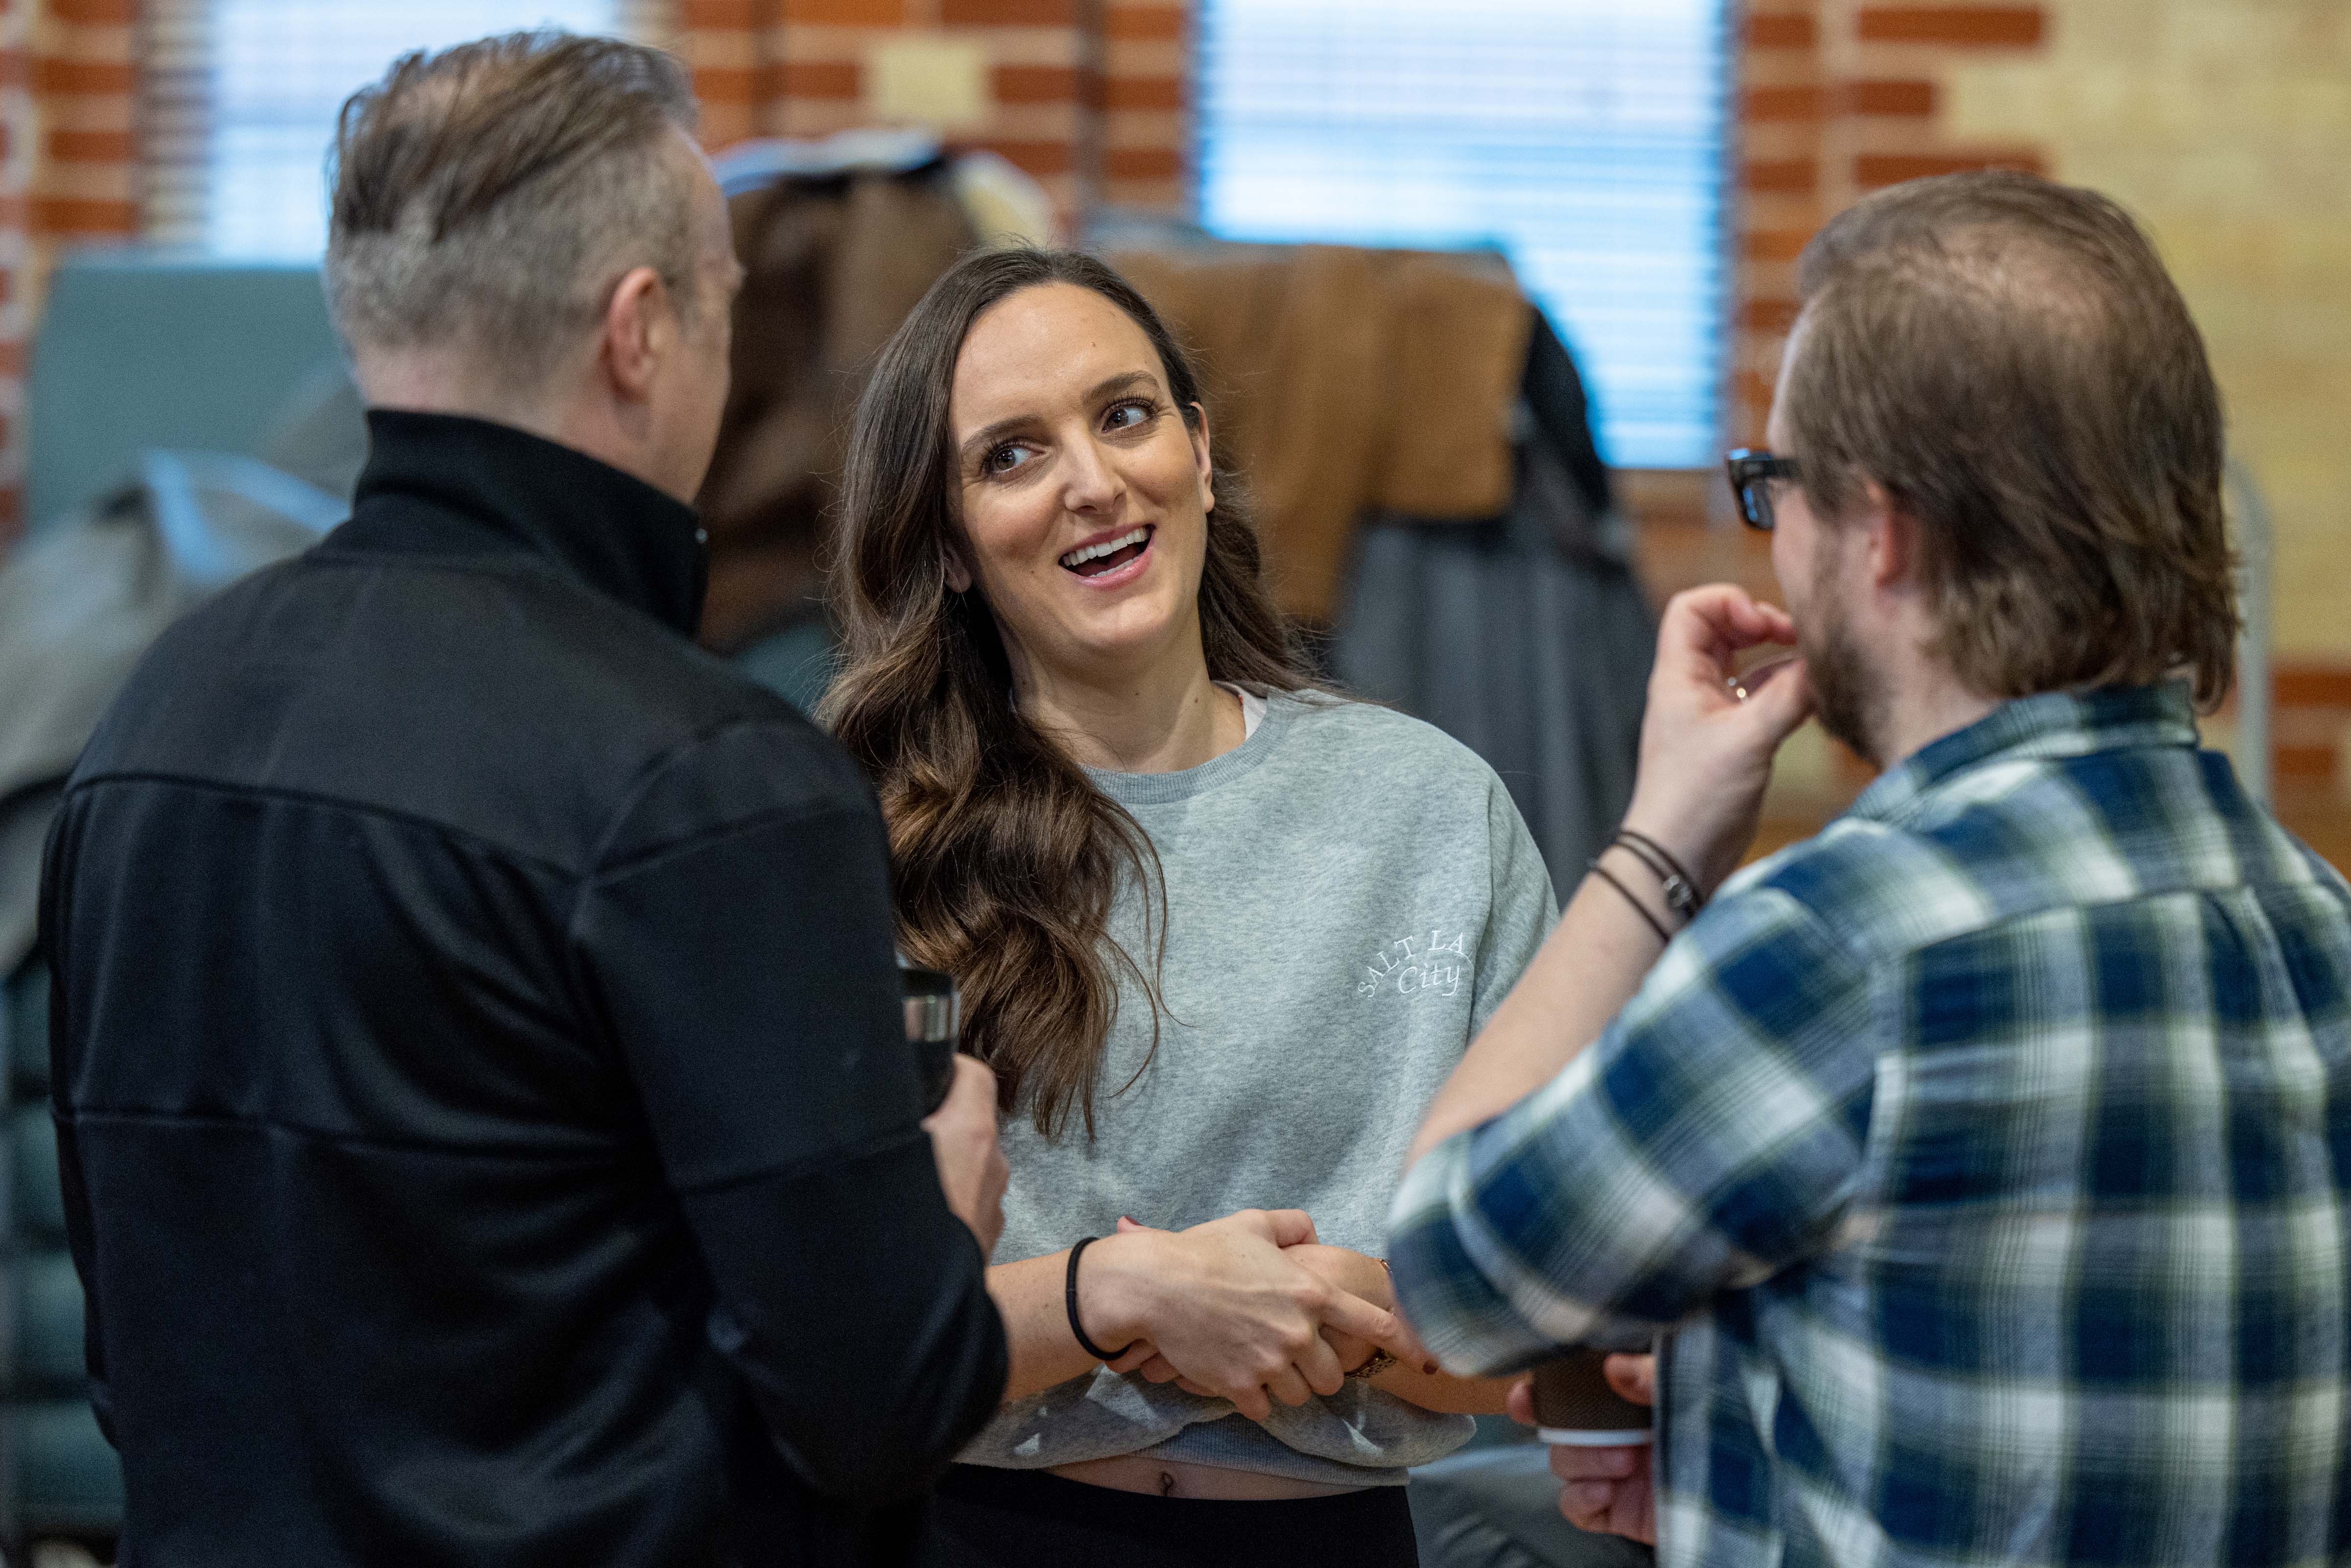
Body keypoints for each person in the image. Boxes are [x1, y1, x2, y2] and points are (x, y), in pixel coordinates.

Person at [38, 33, 1008, 1567]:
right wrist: (943, 1222)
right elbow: (881, 1402)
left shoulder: (150, 718)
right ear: (640, 332)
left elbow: (131, 1360)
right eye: (724, 312)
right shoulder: (715, 783)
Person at [1387, 168, 2351, 1568]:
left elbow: (1445, 1270)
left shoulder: (1844, 948)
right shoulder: (2322, 923)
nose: (1776, 537)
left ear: (1886, 531)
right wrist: (1751, 1437)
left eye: (1777, 485)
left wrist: (1658, 849)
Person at [820, 247, 1554, 1566]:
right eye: (1010, 455)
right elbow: (823, 1342)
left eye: (1124, 414)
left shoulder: (1436, 814)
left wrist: (1353, 1309)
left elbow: (1552, 1329)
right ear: (951, 548)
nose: (1093, 482)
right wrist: (1122, 1292)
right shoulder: (859, 844)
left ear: (1201, 453)